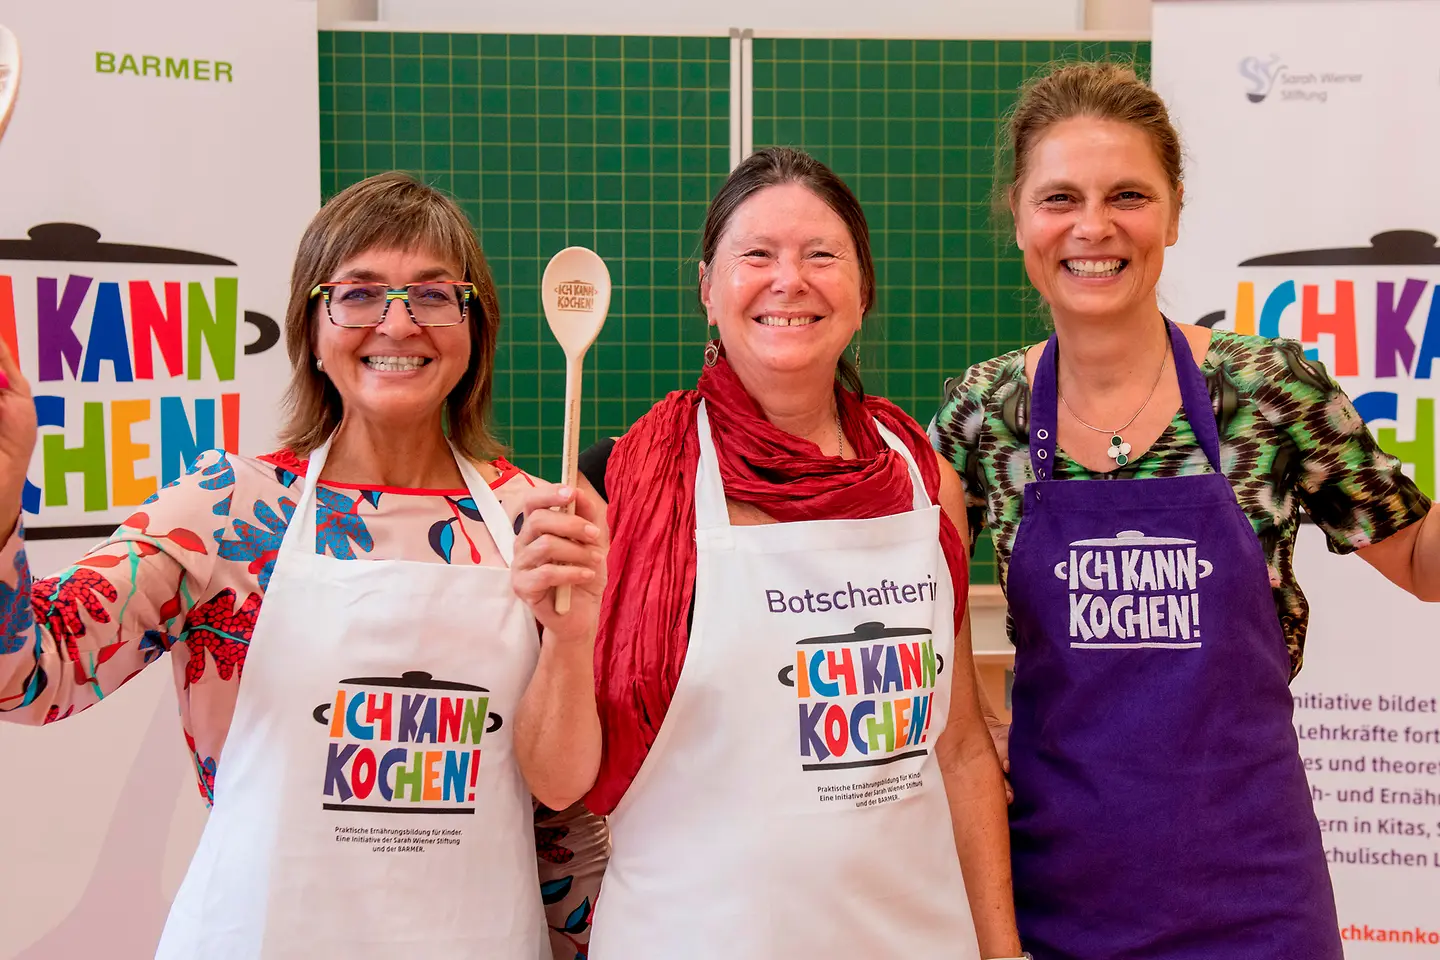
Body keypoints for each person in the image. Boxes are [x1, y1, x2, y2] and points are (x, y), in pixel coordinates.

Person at [0, 172, 609, 958]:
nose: (398, 323)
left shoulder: (542, 524)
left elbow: (565, 818)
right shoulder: (227, 510)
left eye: (433, 295)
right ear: (312, 331)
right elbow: (30, 678)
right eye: (359, 294)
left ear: (474, 329)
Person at [929, 61, 1439, 960]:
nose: (1093, 227)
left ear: (1172, 214)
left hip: (1257, 898)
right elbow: (899, 606)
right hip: (1055, 892)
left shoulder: (1267, 390)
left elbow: (1423, 567)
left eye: (1128, 195)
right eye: (1060, 198)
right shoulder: (983, 414)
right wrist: (972, 732)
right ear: (1019, 218)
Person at [515, 146, 1024, 960]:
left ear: (863, 291)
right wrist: (570, 641)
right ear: (708, 290)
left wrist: (1001, 953)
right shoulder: (618, 486)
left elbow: (960, 750)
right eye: (756, 255)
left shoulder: (923, 478)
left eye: (822, 255)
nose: (790, 281)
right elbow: (557, 780)